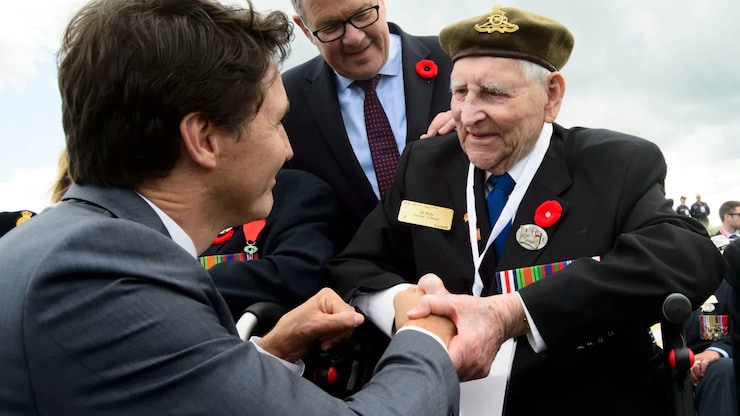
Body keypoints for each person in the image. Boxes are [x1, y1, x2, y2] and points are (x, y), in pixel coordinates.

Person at [0, 1, 463, 415]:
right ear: (203, 140)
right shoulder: (105, 273)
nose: (288, 149)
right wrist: (427, 339)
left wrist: (267, 356)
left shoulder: (58, 243)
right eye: (278, 122)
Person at [326, 5, 725, 416]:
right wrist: (408, 310)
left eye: (493, 93)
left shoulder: (614, 164)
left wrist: (514, 313)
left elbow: (688, 257)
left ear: (551, 95)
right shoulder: (426, 165)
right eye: (460, 91)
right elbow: (356, 265)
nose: (468, 114)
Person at [282, 0, 455, 246]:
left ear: (381, 3)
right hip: (358, 280)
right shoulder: (286, 100)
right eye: (331, 27)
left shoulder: (456, 60)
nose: (354, 37)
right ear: (305, 29)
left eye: (363, 15)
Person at [202, 168, 343, 320]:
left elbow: (297, 273)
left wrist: (185, 282)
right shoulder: (180, 202)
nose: (288, 151)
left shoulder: (292, 191)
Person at [685, 279, 737, 416]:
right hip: (645, 363)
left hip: (704, 368)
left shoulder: (724, 279)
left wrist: (716, 352)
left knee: (724, 369)